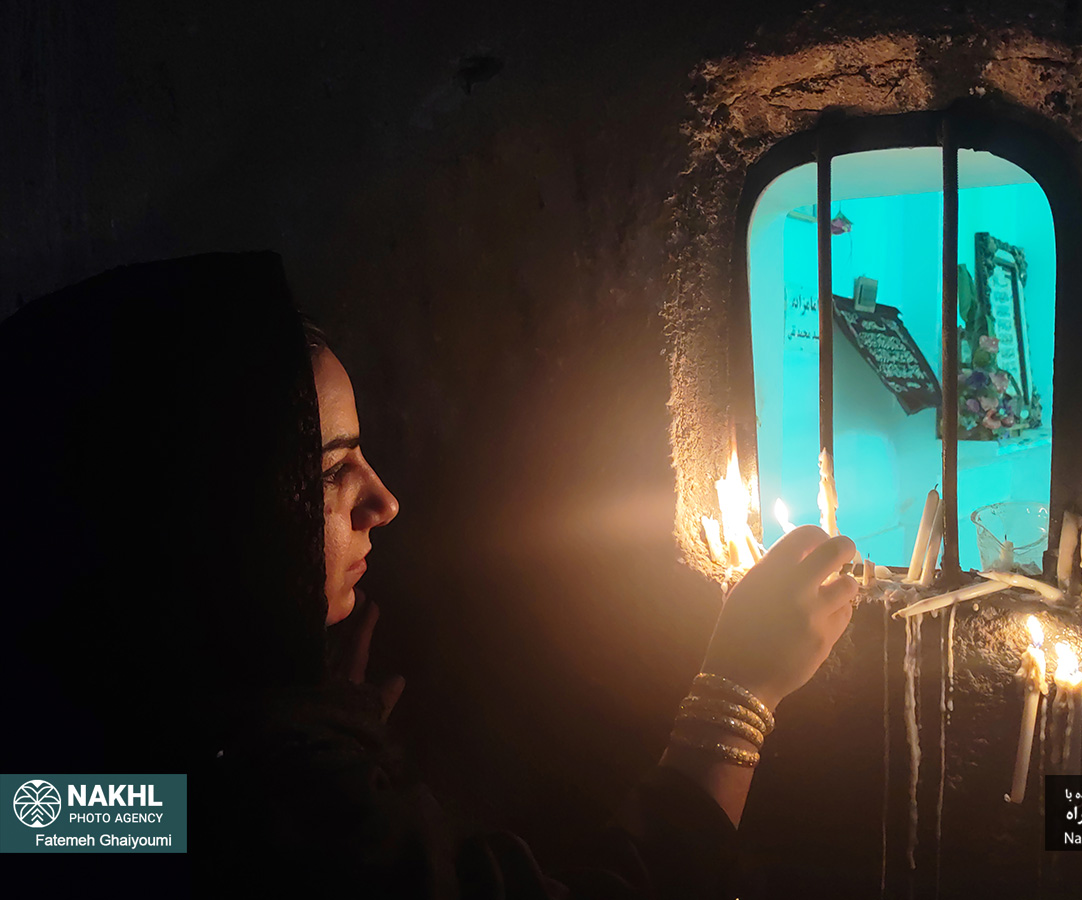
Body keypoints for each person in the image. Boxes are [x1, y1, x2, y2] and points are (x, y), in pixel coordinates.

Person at [0, 253, 856, 897]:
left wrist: (315, 734)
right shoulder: (288, 819)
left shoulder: (66, 760)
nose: (384, 501)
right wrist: (738, 692)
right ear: (205, 515)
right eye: (328, 472)